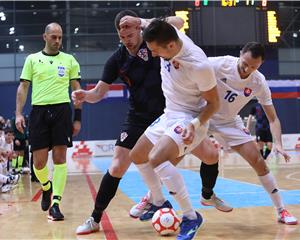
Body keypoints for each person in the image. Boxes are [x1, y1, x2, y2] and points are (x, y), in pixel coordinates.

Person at [73, 10, 186, 235]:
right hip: (137, 116)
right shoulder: (117, 59)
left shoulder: (155, 41)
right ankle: (95, 218)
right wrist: (85, 96)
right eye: (122, 35)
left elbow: (179, 22)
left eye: (130, 32)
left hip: (168, 113)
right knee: (116, 166)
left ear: (138, 29)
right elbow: (99, 92)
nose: (127, 39)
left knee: (169, 160)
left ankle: (155, 198)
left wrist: (144, 21)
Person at [128, 19, 220, 240]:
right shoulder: (171, 32)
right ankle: (159, 202)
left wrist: (195, 124)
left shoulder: (199, 65)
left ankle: (190, 216)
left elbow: (214, 104)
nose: (153, 55)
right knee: (137, 155)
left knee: (156, 159)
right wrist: (139, 22)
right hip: (170, 113)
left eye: (155, 51)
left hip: (190, 118)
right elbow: (175, 20)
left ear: (170, 46)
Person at [199, 42, 297, 225]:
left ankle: (281, 210)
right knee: (174, 151)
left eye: (254, 66)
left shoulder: (258, 81)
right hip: (201, 114)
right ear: (240, 54)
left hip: (228, 122)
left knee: (258, 161)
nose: (247, 69)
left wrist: (278, 143)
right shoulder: (220, 64)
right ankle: (154, 197)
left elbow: (273, 119)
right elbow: (192, 69)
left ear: (260, 65)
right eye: (245, 63)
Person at [15, 22, 82, 221]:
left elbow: (77, 91)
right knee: (39, 162)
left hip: (62, 110)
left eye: (60, 37)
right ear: (44, 37)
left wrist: (77, 118)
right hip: (39, 113)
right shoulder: (32, 59)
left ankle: (56, 204)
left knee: (61, 159)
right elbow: (23, 88)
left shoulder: (70, 60)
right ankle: (46, 187)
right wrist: (18, 114)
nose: (57, 41)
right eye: (53, 37)